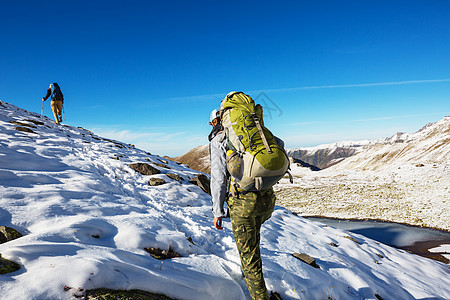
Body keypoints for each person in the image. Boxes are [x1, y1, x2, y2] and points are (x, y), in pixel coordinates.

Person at [209, 99, 282, 300]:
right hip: (267, 199)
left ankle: (260, 296)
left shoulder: (219, 140)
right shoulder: (256, 132)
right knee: (252, 242)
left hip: (243, 204)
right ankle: (253, 282)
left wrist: (217, 211)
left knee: (249, 258)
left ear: (217, 121)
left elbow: (218, 179)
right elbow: (279, 146)